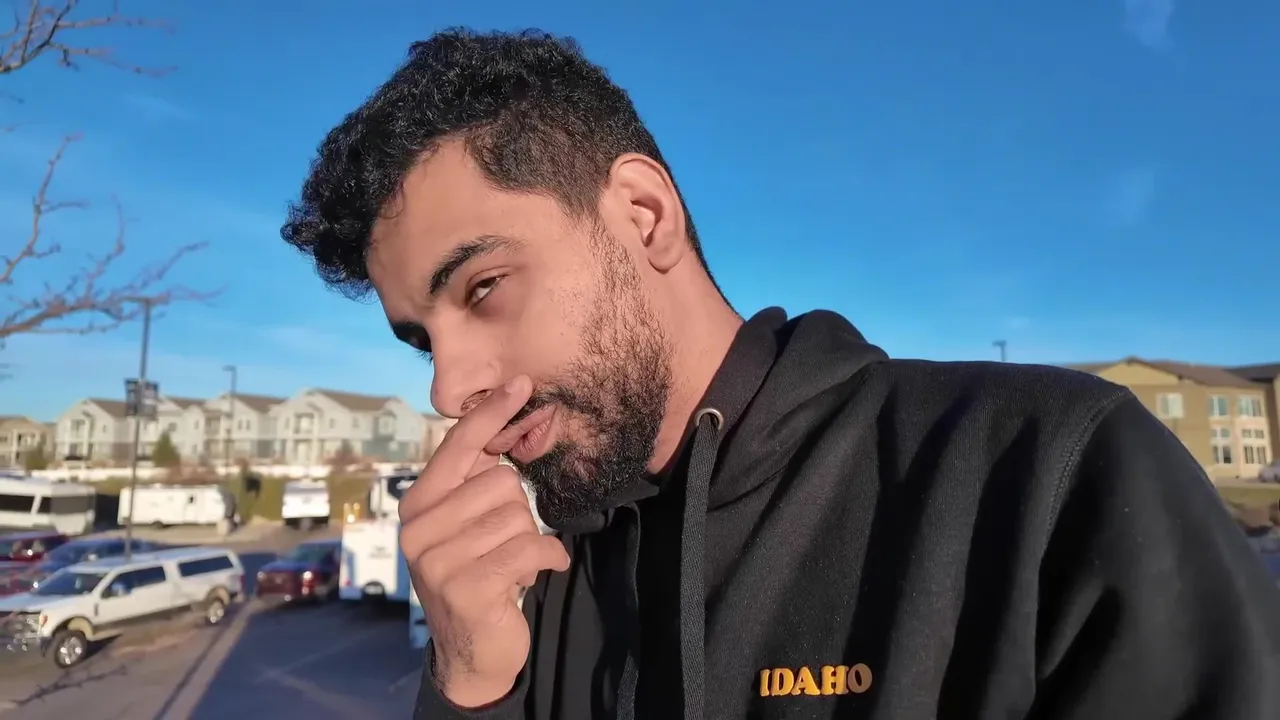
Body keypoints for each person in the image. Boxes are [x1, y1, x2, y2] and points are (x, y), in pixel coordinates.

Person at [280, 28, 1280, 720]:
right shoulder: (534, 577)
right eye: (421, 340)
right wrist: (469, 686)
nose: (448, 389)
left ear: (641, 217)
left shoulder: (1038, 474)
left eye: (485, 286)